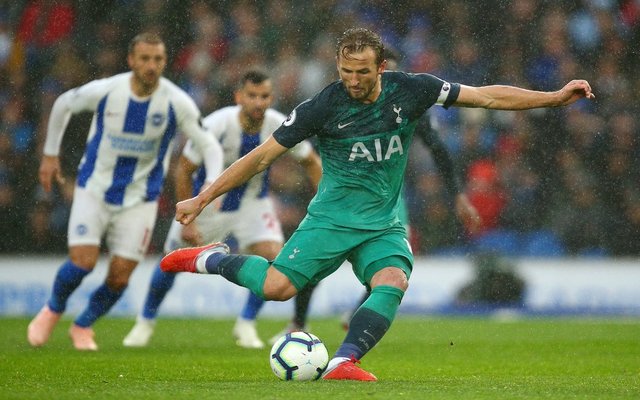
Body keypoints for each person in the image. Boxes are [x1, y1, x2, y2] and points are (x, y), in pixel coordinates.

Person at [160, 28, 594, 381]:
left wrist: (553, 98)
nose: (353, 79)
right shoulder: (323, 106)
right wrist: (202, 198)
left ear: (381, 67)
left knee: (393, 280)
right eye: (346, 70)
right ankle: (210, 259)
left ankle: (344, 361)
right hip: (330, 219)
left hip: (382, 224)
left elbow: (487, 96)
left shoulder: (411, 91)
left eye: (362, 71)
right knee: (277, 289)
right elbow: (261, 157)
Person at [27, 32, 224, 351]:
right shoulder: (108, 91)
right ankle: (53, 308)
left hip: (140, 200)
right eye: (144, 59)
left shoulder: (176, 101)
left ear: (164, 62)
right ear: (131, 60)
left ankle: (83, 325)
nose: (151, 65)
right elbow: (64, 103)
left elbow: (210, 147)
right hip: (95, 189)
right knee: (83, 262)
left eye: (158, 59)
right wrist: (50, 155)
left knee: (120, 276)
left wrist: (209, 189)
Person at [123, 70, 322, 349]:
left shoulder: (279, 125)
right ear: (238, 96)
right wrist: (189, 223)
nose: (258, 102)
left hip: (253, 204)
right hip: (210, 205)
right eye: (251, 96)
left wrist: (323, 197)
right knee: (171, 262)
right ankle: (145, 322)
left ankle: (246, 324)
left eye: (264, 96)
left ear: (271, 98)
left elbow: (311, 161)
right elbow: (184, 169)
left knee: (275, 259)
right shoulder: (217, 124)